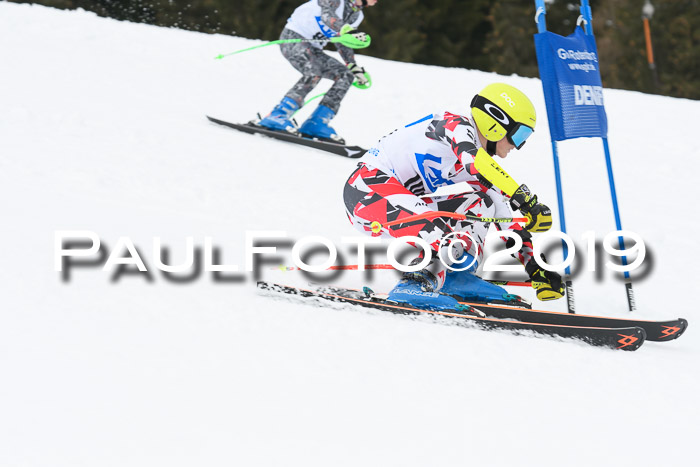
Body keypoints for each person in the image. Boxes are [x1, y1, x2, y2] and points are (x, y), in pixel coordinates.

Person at [342, 82, 565, 311]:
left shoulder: (481, 164)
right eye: (519, 134)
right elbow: (474, 161)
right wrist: (527, 200)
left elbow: (504, 217)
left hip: (400, 203)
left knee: (483, 203)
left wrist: (536, 267)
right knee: (433, 224)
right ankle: (414, 284)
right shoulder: (454, 125)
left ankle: (455, 278)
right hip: (365, 191)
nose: (518, 146)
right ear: (495, 123)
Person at [257, 0, 377, 144]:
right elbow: (327, 15)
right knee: (314, 72)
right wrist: (347, 29)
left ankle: (316, 123)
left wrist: (353, 67)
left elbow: (342, 40)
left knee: (346, 75)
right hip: (293, 38)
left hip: (313, 48)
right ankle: (277, 115)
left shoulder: (357, 15)